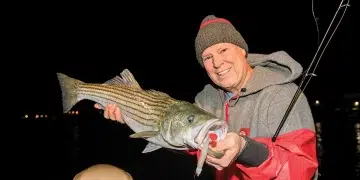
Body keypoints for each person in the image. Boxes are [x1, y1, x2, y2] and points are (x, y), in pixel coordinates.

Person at [95, 15, 318, 180]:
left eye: (224, 50)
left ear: (242, 51)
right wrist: (133, 116)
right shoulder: (208, 99)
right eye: (207, 57)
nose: (217, 63)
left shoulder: (283, 94)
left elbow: (303, 170)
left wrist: (245, 149)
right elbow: (182, 138)